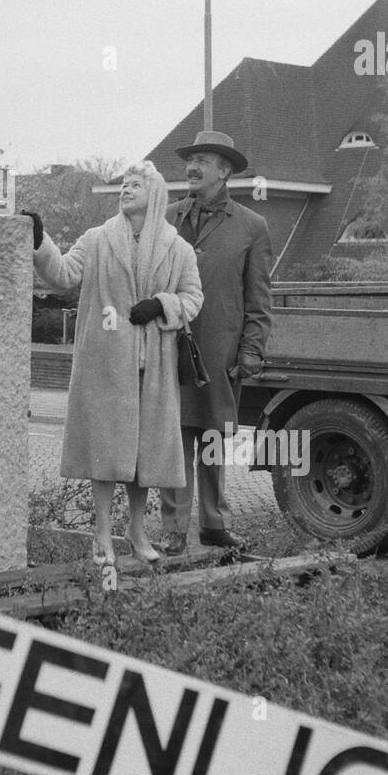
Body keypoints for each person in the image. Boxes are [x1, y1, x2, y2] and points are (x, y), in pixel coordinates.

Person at [25, 161, 203, 565]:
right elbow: (64, 275)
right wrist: (40, 241)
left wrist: (161, 304)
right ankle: (101, 536)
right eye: (124, 184)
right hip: (105, 366)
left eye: (135, 185)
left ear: (153, 194)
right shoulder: (98, 239)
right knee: (106, 455)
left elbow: (194, 298)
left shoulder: (178, 249)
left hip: (152, 369)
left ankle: (137, 532)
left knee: (143, 459)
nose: (125, 190)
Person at [159, 130, 273, 555]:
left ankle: (213, 524)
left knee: (211, 439)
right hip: (168, 348)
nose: (192, 167)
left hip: (218, 352)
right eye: (191, 160)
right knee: (173, 440)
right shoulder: (166, 219)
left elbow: (258, 298)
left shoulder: (251, 226)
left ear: (224, 171)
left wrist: (251, 350)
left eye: (203, 160)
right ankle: (173, 529)